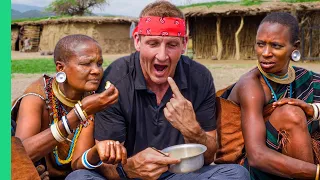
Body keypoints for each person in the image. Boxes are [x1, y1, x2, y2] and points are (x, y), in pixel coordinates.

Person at [67, 1, 249, 180]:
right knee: (78, 177)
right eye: (153, 43)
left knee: (236, 174)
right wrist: (130, 169)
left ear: (184, 44)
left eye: (172, 45)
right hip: (129, 175)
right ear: (137, 41)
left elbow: (208, 158)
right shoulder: (116, 79)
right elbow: (107, 162)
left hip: (179, 174)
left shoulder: (199, 78)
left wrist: (193, 130)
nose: (162, 56)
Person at [12, 34, 126, 179]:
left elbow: (77, 165)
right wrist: (78, 114)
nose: (97, 70)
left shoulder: (93, 99)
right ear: (61, 68)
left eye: (99, 63)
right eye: (86, 64)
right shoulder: (37, 96)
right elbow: (19, 154)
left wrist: (95, 152)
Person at [226, 12, 320, 179]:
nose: (266, 53)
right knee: (290, 114)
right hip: (254, 169)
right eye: (260, 44)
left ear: (294, 48)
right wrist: (317, 173)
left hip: (295, 162)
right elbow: (257, 156)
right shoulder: (251, 86)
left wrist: (313, 110)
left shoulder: (306, 78)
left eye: (276, 46)